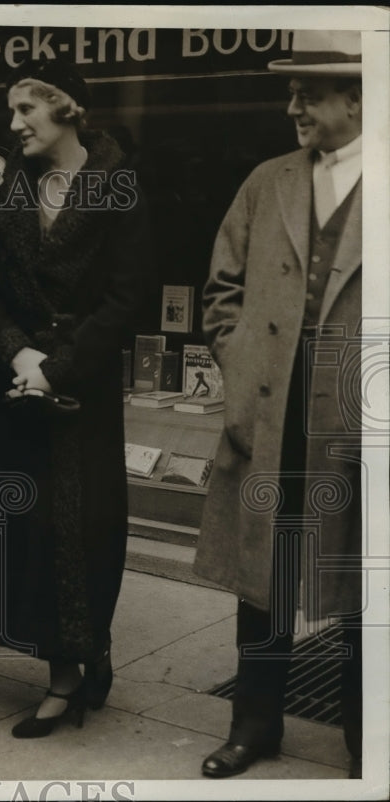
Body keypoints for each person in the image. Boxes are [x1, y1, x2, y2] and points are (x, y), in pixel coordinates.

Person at [194, 30, 363, 780]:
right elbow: (221, 290)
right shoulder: (267, 181)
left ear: (359, 98)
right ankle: (253, 726)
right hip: (269, 417)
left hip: (361, 425)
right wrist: (239, 366)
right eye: (291, 89)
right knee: (262, 580)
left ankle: (369, 739)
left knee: (365, 590)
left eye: (310, 92)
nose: (292, 104)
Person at [0, 56, 151, 737]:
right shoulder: (5, 187)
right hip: (15, 385)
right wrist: (19, 353)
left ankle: (78, 667)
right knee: (27, 535)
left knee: (82, 531)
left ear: (68, 110)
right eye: (11, 112)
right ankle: (64, 671)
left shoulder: (118, 186)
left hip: (80, 393)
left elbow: (127, 295)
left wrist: (58, 368)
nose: (13, 124)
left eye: (27, 111)